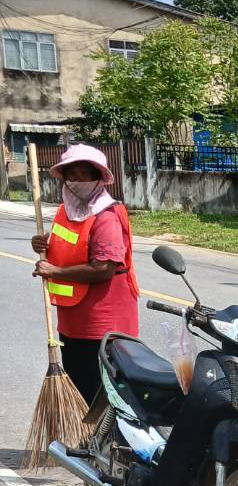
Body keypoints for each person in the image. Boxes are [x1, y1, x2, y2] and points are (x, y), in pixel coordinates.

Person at [31, 143, 140, 405]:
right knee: (79, 386)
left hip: (102, 323)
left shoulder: (106, 216)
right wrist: (42, 244)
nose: (77, 181)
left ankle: (108, 442)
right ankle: (83, 441)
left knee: (101, 392)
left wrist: (55, 270)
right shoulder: (64, 210)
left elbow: (103, 269)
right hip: (72, 319)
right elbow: (67, 245)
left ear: (97, 178)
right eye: (71, 175)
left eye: (84, 175)